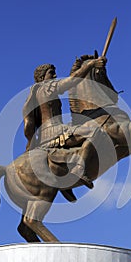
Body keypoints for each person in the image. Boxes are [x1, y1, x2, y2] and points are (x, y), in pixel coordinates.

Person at [23, 56, 107, 189]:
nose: (55, 75)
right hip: (55, 132)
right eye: (51, 73)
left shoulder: (35, 93)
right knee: (95, 131)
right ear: (42, 77)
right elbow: (72, 81)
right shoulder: (46, 87)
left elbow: (28, 125)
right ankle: (79, 170)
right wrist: (91, 64)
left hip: (48, 133)